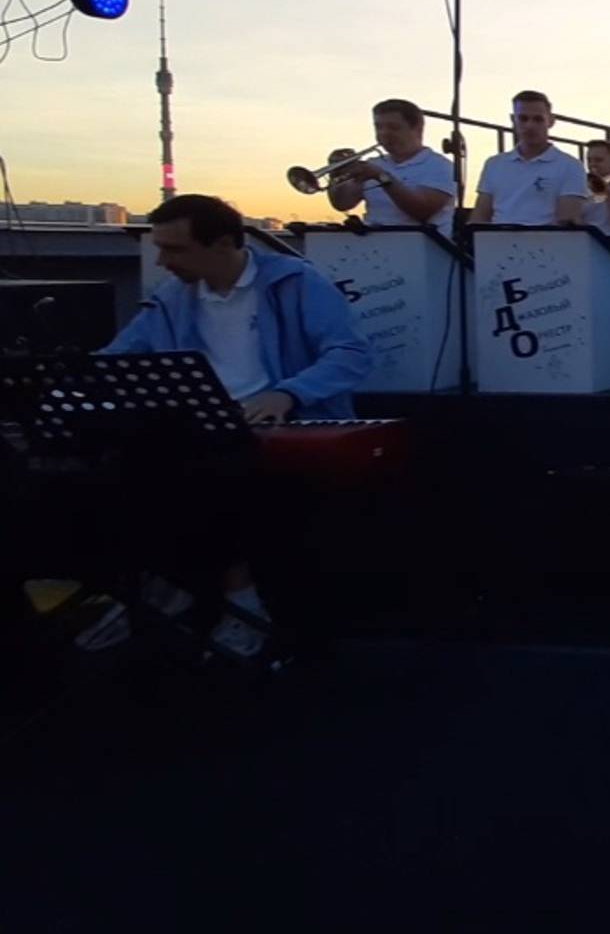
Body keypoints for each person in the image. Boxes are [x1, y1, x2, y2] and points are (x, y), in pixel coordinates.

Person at [95, 194, 371, 659]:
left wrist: (288, 393)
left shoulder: (296, 282)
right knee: (120, 463)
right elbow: (118, 357)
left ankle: (221, 599)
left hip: (280, 422)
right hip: (199, 424)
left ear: (223, 243)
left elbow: (351, 352)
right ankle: (173, 587)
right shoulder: (171, 296)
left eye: (175, 249)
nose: (162, 261)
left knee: (207, 473)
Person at [323, 98, 458, 228]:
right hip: (373, 240)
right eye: (378, 127)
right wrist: (335, 174)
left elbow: (421, 212)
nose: (384, 133)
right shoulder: (373, 164)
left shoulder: (440, 166)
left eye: (393, 127)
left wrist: (381, 177)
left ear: (417, 128)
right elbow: (342, 204)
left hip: (421, 242)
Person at [469, 90, 589, 226]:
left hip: (547, 238)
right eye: (523, 118)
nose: (530, 125)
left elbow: (567, 221)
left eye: (538, 119)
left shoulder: (571, 166)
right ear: (513, 120)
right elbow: (480, 217)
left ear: (551, 121)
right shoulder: (493, 164)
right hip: (498, 237)